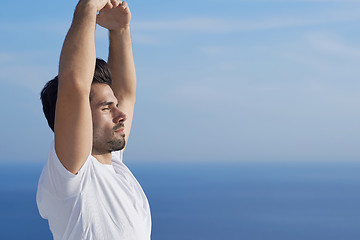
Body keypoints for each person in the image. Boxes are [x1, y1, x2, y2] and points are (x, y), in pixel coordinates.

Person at [36, 0, 151, 239]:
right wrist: (88, 7)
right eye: (106, 108)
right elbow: (74, 85)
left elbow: (127, 94)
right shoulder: (72, 176)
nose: (121, 115)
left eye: (115, 105)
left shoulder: (115, 168)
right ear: (78, 118)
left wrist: (119, 30)